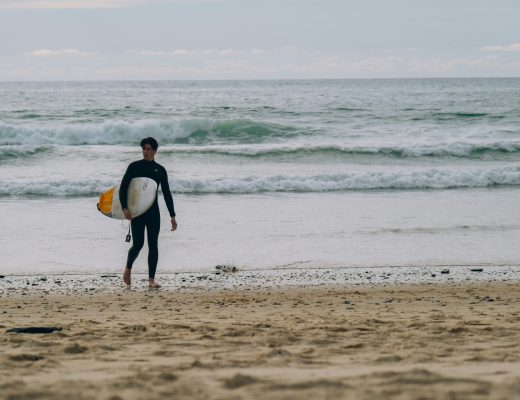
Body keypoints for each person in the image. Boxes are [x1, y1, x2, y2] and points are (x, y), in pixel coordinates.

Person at [120, 137, 177, 289]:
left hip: (153, 213)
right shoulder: (134, 167)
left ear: (155, 151)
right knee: (138, 244)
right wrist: (125, 208)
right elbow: (123, 188)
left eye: (149, 148)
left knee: (153, 245)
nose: (146, 151)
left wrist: (172, 215)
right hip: (137, 212)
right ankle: (128, 268)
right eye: (144, 148)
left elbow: (166, 193)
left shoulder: (160, 170)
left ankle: (151, 280)